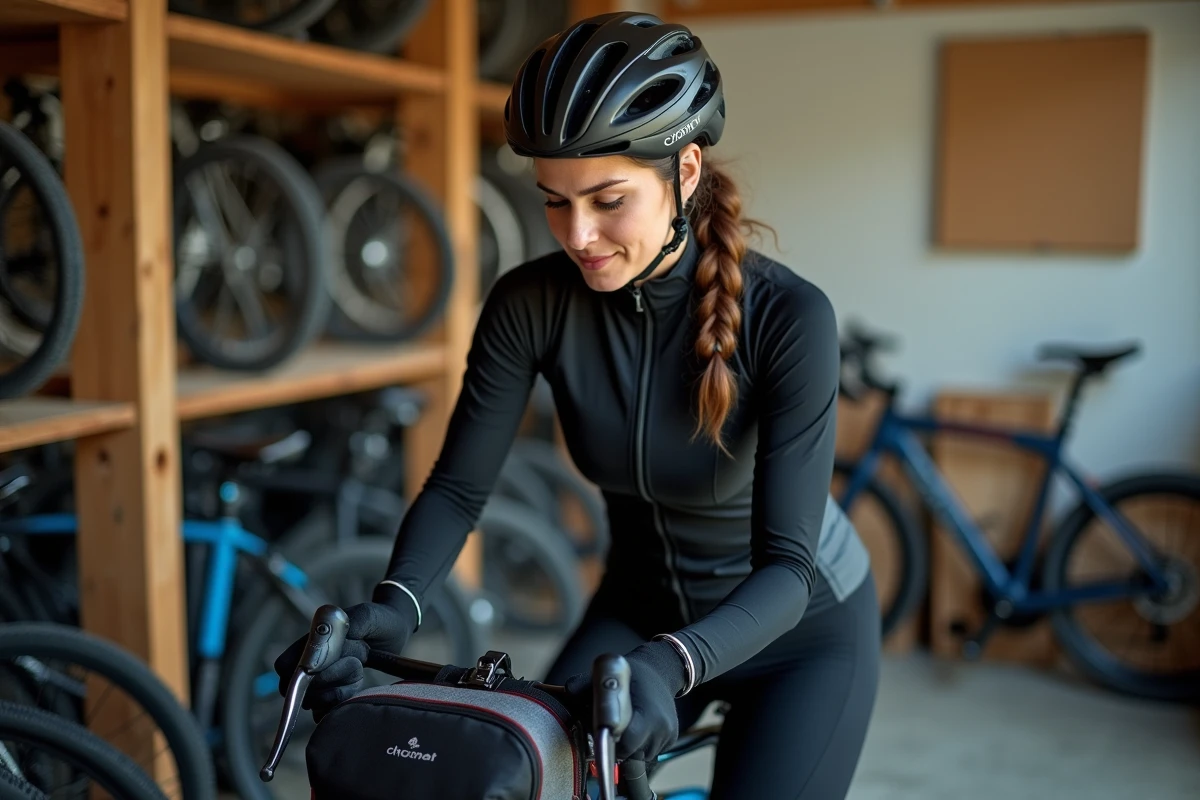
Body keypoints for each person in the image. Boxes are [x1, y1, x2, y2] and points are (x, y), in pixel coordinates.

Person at [275, 11, 880, 798]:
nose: (579, 234)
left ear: (685, 172)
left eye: (608, 199)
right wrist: (395, 606)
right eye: (555, 202)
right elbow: (459, 489)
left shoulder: (789, 318)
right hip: (636, 612)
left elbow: (789, 568)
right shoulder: (530, 304)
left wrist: (675, 661)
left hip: (800, 637)